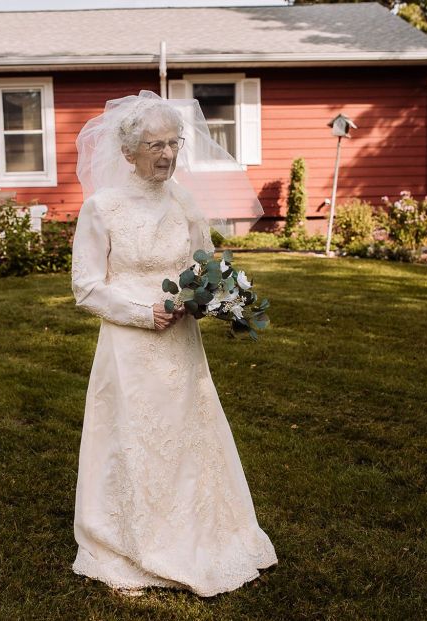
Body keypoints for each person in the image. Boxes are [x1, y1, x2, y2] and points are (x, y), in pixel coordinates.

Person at [71, 90, 277, 597]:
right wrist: (144, 313)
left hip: (181, 341)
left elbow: (203, 262)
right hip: (130, 346)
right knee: (136, 436)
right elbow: (86, 287)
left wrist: (213, 296)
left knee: (189, 430)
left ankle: (202, 531)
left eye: (173, 143)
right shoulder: (102, 208)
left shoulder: (184, 199)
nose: (166, 154)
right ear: (128, 152)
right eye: (154, 145)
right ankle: (131, 540)